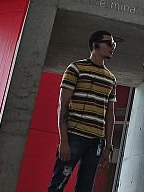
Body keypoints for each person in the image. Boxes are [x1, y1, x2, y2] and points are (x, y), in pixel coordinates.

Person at [46, 30, 116, 192]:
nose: (112, 47)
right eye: (109, 43)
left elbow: (110, 113)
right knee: (58, 184)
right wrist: (64, 141)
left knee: (85, 188)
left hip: (97, 142)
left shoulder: (111, 78)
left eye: (114, 44)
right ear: (95, 45)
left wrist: (108, 146)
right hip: (74, 136)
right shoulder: (76, 68)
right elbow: (63, 105)